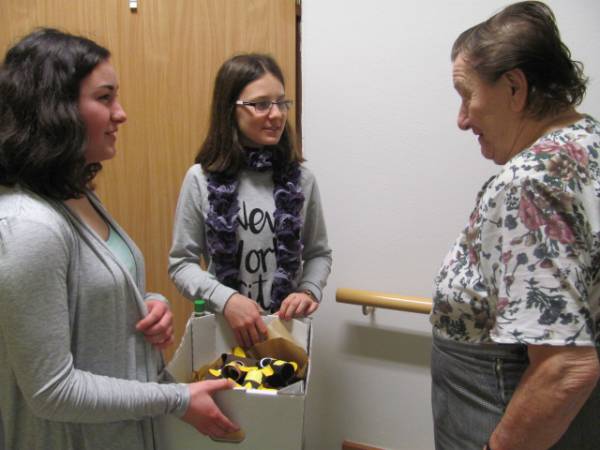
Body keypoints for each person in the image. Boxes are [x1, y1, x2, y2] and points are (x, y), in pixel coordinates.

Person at [0, 28, 239, 450]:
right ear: (56, 108)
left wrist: (148, 305)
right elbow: (51, 391)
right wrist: (177, 399)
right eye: (105, 97)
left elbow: (85, 299)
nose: (121, 113)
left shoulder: (77, 195)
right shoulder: (30, 227)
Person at [429, 2, 600, 449]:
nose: (462, 119)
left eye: (467, 95)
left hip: (497, 406)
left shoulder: (532, 181)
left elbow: (565, 368)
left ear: (514, 88)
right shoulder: (588, 145)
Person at [169, 53, 332, 348]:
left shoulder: (302, 181)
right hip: (223, 335)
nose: (277, 114)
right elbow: (182, 264)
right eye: (261, 104)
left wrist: (308, 291)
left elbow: (319, 253)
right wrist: (227, 299)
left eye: (281, 102)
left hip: (286, 334)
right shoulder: (200, 179)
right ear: (230, 109)